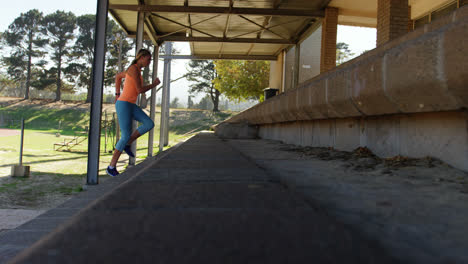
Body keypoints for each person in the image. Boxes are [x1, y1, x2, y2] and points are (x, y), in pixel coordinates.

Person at [106, 49, 160, 177]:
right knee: (124, 135)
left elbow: (118, 76)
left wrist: (117, 93)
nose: (149, 62)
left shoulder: (135, 70)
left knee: (148, 123)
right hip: (124, 104)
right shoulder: (134, 69)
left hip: (130, 104)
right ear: (141, 57)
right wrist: (154, 84)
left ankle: (128, 143)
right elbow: (140, 90)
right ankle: (111, 166)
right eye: (148, 59)